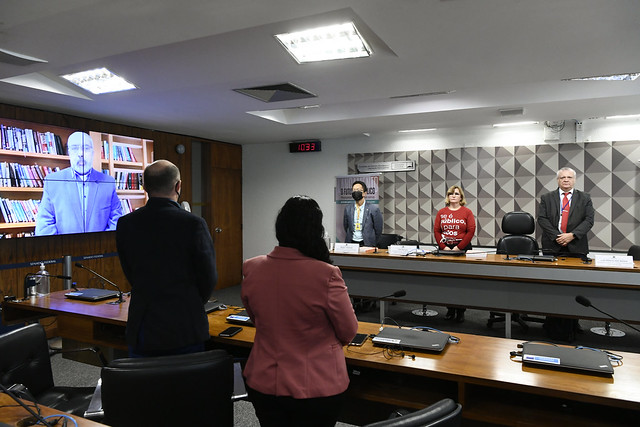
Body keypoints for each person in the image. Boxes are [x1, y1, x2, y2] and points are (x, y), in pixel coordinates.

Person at [242, 196, 358, 427]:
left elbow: (257, 319)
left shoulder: (251, 267)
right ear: (316, 230)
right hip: (317, 385)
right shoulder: (327, 274)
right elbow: (348, 331)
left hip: (263, 381)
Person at [116, 160, 217, 357]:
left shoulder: (126, 223)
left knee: (144, 377)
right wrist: (192, 300)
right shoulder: (193, 224)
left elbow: (129, 270)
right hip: (184, 324)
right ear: (178, 186)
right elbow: (208, 276)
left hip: (143, 324)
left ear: (145, 187)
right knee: (184, 376)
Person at [35, 131, 122, 235]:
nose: (81, 154)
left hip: (100, 245)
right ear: (69, 153)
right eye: (75, 148)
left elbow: (116, 221)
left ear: (93, 153)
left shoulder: (108, 182)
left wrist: (101, 243)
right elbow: (45, 225)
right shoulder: (52, 182)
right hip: (64, 245)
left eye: (86, 148)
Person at [434, 185, 476, 322]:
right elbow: (437, 231)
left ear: (461, 197)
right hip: (445, 249)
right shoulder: (441, 212)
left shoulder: (467, 212)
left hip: (462, 249)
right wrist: (443, 247)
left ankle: (461, 311)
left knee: (461, 282)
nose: (453, 196)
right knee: (447, 282)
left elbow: (471, 230)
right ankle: (450, 309)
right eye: (451, 193)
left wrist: (459, 247)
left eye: (456, 193)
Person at [538, 167, 594, 256]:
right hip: (552, 244)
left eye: (569, 177)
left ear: (574, 180)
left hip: (576, 245)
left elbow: (589, 220)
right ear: (558, 180)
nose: (566, 180)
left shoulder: (585, 198)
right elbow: (542, 219)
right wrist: (558, 237)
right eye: (562, 177)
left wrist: (572, 235)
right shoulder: (546, 197)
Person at [343, 180, 383, 246]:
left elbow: (378, 229)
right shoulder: (348, 208)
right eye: (354, 190)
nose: (356, 192)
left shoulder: (373, 209)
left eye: (358, 190)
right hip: (351, 242)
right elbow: (346, 226)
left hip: (367, 243)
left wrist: (372, 241)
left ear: (364, 193)